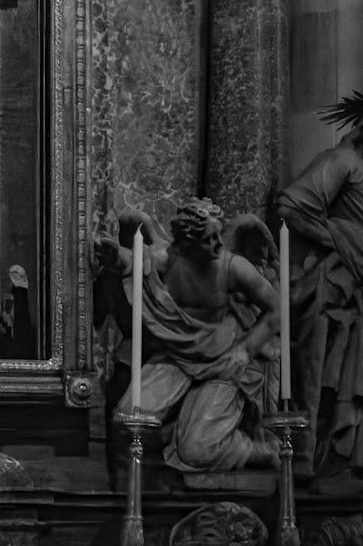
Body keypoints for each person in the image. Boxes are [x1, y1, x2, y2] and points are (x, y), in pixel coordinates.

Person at [275, 91, 363, 492]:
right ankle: (353, 454)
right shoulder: (340, 162)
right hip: (348, 284)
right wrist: (341, 241)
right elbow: (289, 206)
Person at [97, 198, 281, 480]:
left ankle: (261, 452)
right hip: (175, 359)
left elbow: (276, 309)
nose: (219, 245)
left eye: (220, 235)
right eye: (210, 239)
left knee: (196, 451)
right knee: (127, 421)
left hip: (221, 364)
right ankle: (170, 443)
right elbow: (133, 259)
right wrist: (113, 255)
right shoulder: (167, 259)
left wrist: (245, 350)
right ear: (187, 243)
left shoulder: (232, 267)